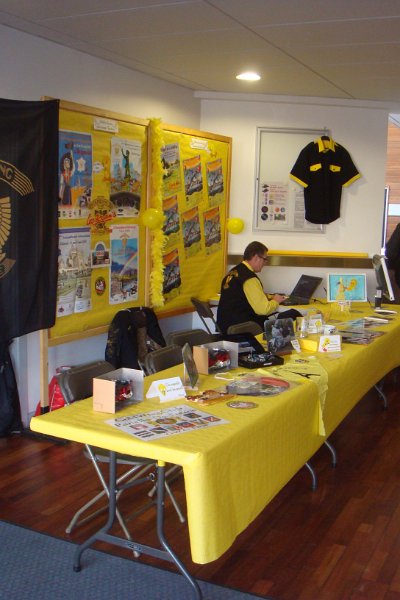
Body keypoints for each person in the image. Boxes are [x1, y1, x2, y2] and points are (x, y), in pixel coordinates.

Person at [216, 241, 302, 333]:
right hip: (245, 328)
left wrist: (268, 297)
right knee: (293, 314)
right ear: (256, 257)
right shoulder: (249, 279)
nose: (265, 263)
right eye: (265, 259)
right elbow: (263, 310)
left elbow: (242, 297)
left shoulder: (233, 272)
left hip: (226, 327)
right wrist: (276, 301)